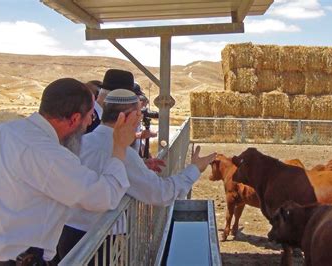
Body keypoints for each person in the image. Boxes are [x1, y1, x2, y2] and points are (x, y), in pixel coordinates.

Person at [0, 78, 140, 265]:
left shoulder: (1, 132)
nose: (90, 122)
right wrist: (120, 147)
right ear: (75, 118)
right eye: (90, 116)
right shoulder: (49, 154)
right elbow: (103, 196)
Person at [57, 89, 217, 262]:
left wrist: (142, 167)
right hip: (100, 244)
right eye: (138, 116)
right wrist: (194, 169)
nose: (139, 121)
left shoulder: (82, 142)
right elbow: (160, 193)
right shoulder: (123, 152)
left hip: (67, 235)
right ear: (125, 118)